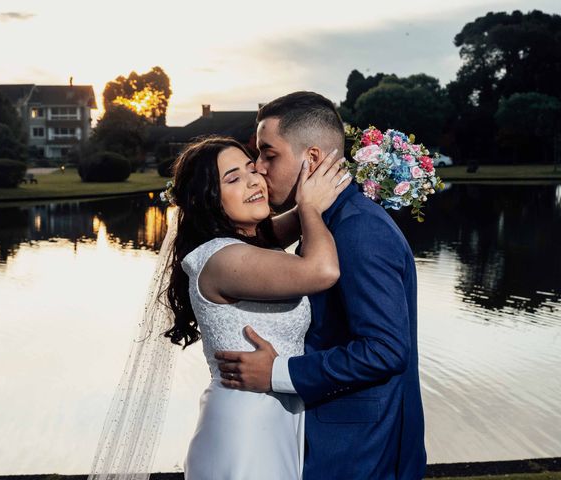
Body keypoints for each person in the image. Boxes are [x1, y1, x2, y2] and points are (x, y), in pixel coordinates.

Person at [215, 92, 427, 479]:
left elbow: (385, 350)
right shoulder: (329, 221)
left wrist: (279, 373)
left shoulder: (358, 231)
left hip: (360, 451)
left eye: (269, 154)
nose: (260, 169)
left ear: (310, 159)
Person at [162, 135, 350, 479]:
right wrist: (309, 208)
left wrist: (327, 182)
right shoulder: (224, 258)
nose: (254, 181)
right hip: (245, 426)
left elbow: (282, 227)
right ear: (208, 199)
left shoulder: (248, 242)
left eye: (252, 169)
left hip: (271, 414)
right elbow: (323, 270)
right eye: (233, 178)